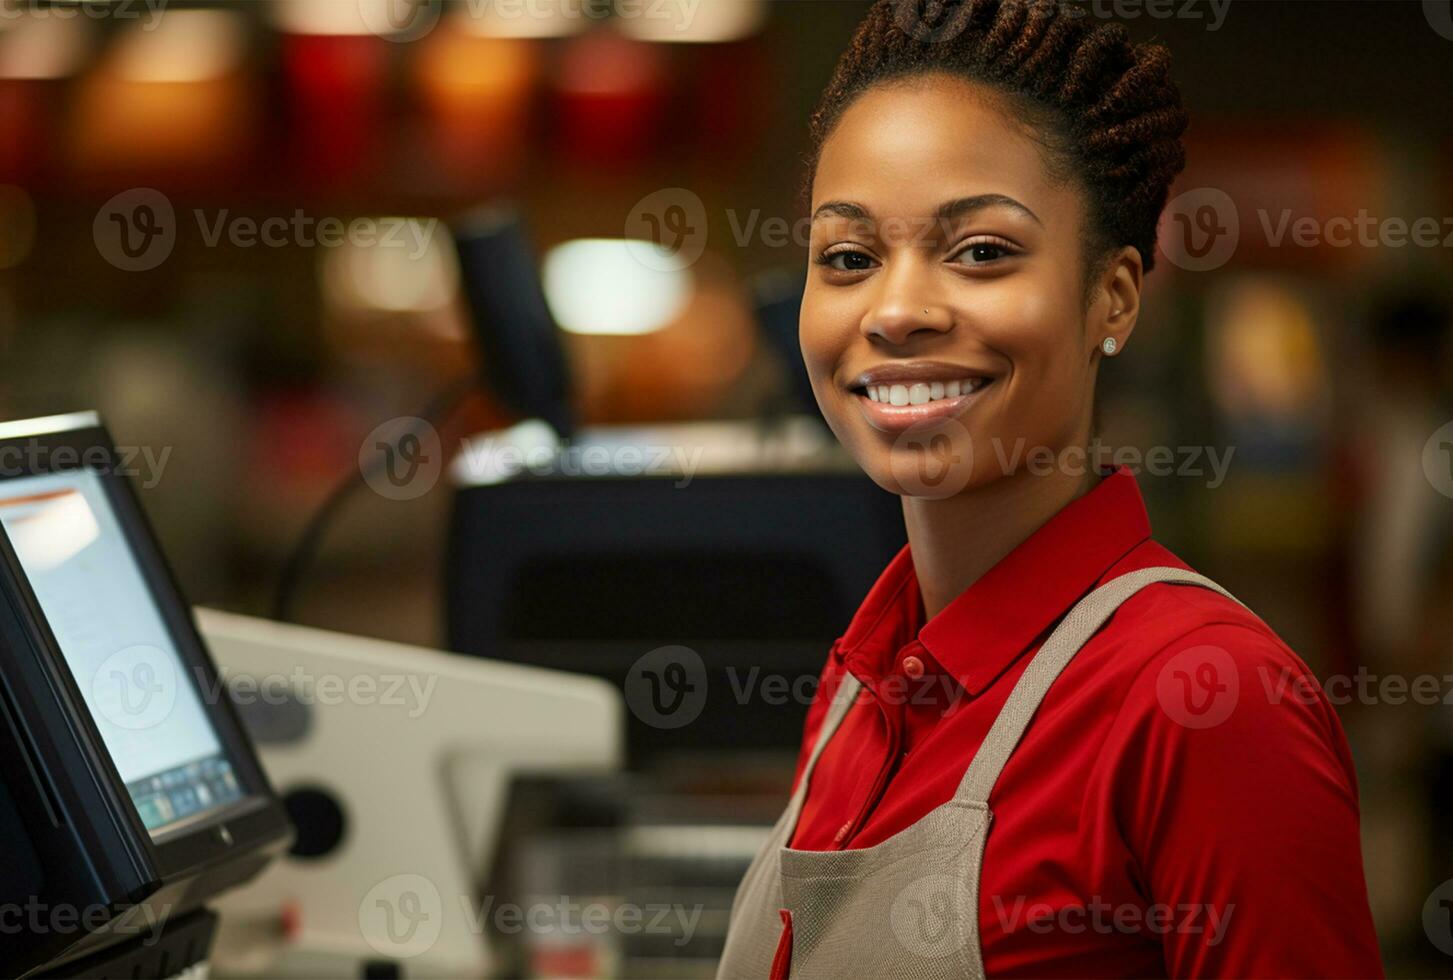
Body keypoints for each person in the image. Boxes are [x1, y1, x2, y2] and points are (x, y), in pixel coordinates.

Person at [716, 1, 1383, 977]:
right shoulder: (862, 681)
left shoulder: (1206, 698)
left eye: (981, 250)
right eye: (849, 257)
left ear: (1111, 294)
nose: (897, 309)